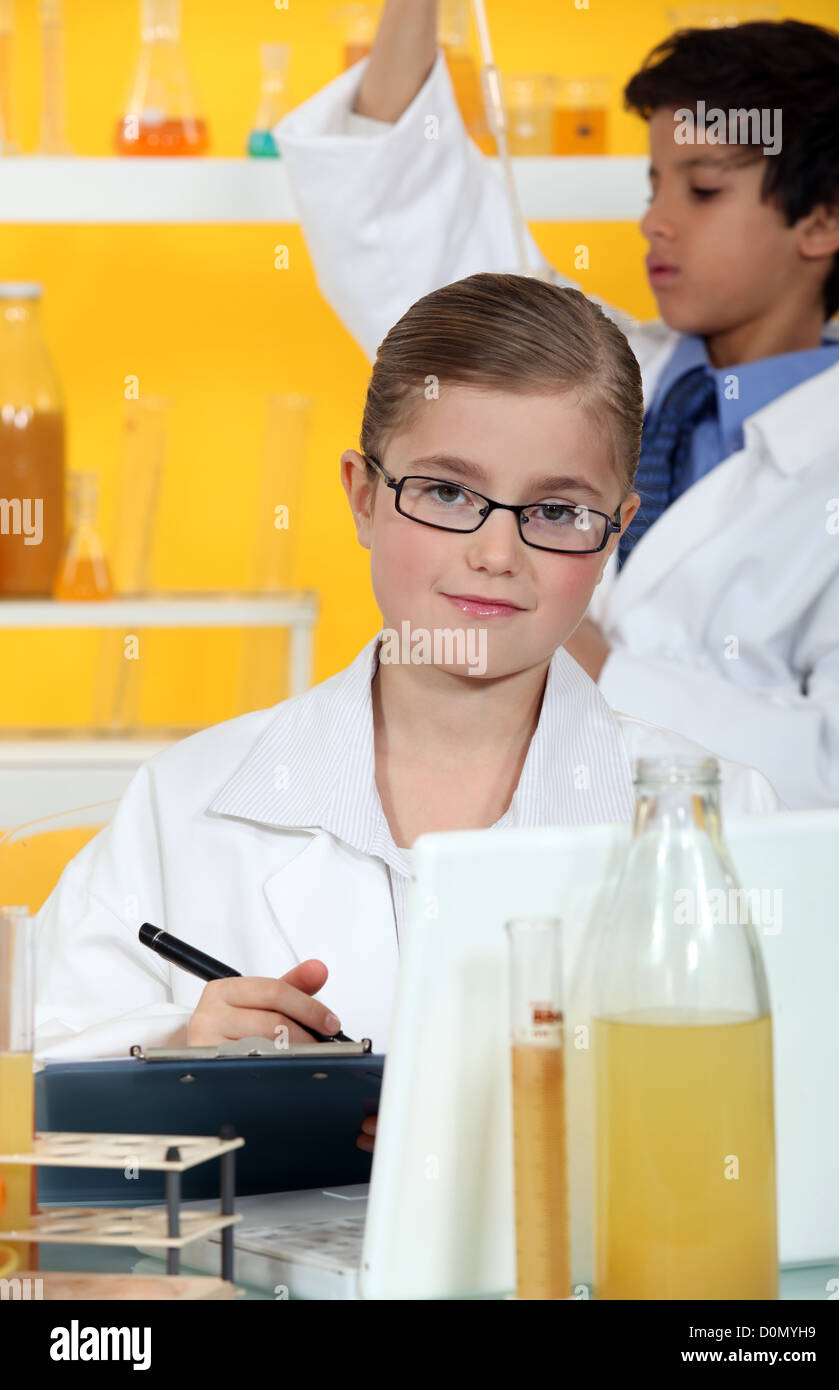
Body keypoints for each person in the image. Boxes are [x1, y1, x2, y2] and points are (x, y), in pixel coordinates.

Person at [35, 275, 780, 1093]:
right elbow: (39, 1083)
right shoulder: (180, 809)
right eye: (449, 492)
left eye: (558, 511)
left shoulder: (727, 826)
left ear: (616, 536)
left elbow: (793, 1133)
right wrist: (175, 1050)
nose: (497, 554)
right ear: (362, 497)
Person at [272, 7, 839, 811]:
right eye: (655, 183)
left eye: (703, 190)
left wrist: (587, 658)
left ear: (826, 218)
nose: (654, 220)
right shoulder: (584, 365)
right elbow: (406, 207)